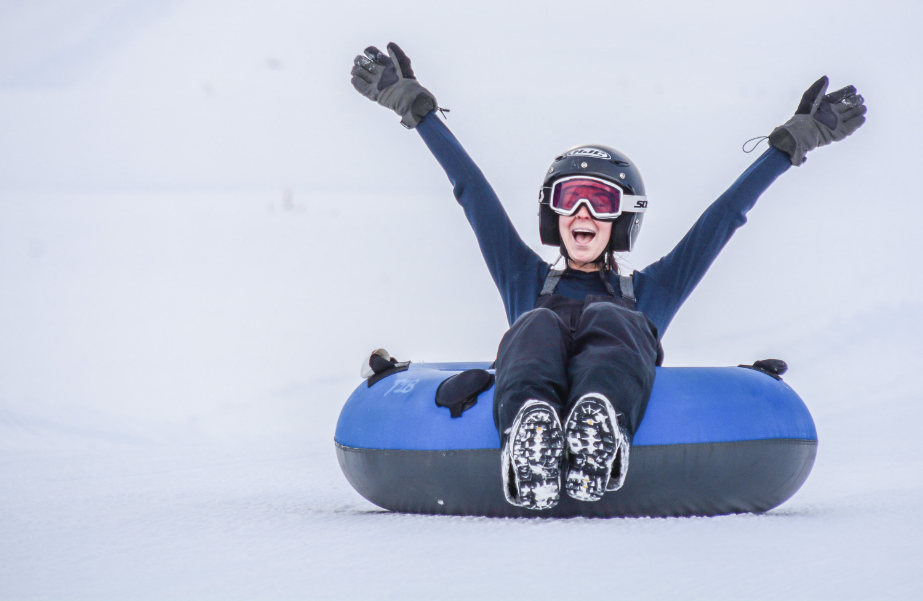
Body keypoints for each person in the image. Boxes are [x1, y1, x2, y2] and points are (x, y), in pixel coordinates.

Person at [350, 43, 867, 511]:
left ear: (621, 219)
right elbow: (472, 191)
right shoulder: (524, 280)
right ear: (552, 214)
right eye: (567, 199)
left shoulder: (650, 292)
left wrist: (793, 142)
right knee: (536, 325)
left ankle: (600, 428)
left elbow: (725, 216)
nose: (581, 213)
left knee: (610, 317)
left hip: (618, 365)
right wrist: (414, 108)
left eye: (599, 202)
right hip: (533, 365)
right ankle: (531, 436)